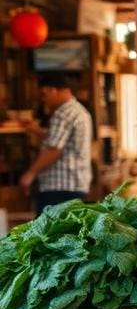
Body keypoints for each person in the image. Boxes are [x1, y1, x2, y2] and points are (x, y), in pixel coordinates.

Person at [19, 72, 92, 211]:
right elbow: (64, 140)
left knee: (47, 231)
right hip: (75, 184)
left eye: (44, 94)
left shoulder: (63, 113)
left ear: (53, 90)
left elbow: (54, 150)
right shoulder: (78, 110)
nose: (43, 100)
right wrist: (40, 132)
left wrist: (30, 174)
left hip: (60, 185)